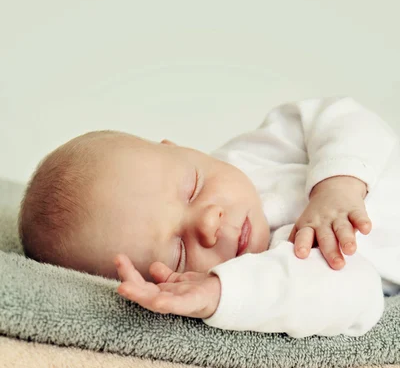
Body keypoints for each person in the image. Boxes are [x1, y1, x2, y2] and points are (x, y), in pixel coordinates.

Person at [19, 96, 400, 337]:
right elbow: (354, 294)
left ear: (183, 149)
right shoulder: (267, 268)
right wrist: (222, 292)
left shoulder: (253, 154)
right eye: (179, 255)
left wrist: (339, 183)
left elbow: (341, 115)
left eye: (192, 188)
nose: (209, 223)